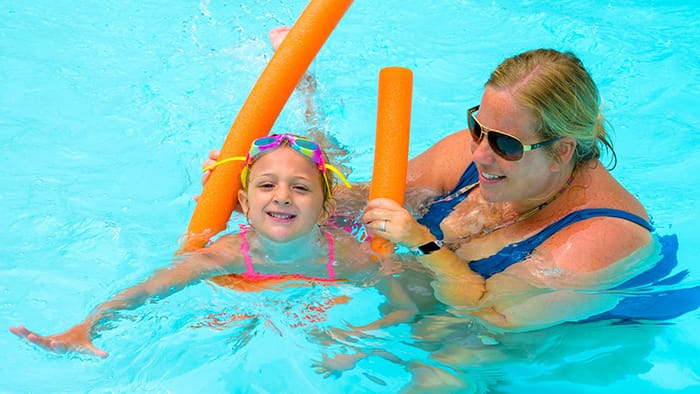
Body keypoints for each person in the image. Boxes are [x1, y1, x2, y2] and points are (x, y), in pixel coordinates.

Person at [10, 133, 417, 357]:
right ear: (243, 204)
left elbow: (405, 305)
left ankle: (311, 97)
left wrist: (355, 338)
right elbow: (151, 289)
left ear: (322, 210)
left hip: (349, 217)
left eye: (299, 188)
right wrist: (89, 325)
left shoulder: (344, 256)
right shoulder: (229, 253)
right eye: (266, 186)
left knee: (332, 153)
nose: (282, 196)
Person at [359, 49, 668, 331]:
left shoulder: (602, 238)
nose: (480, 154)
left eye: (506, 144)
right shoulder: (473, 156)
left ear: (561, 151)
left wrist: (422, 243)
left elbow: (489, 319)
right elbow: (352, 203)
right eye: (478, 128)